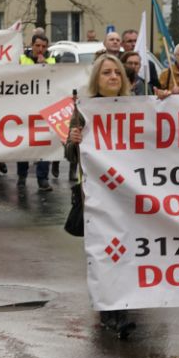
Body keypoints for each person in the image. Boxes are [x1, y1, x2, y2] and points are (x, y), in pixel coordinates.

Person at [65, 54, 136, 339]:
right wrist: (73, 141)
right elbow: (69, 155)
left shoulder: (136, 108)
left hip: (128, 196)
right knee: (105, 253)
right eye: (106, 73)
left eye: (117, 73)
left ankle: (122, 306)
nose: (113, 77)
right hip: (96, 196)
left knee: (126, 252)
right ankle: (112, 313)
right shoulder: (83, 110)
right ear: (97, 79)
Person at [18, 34, 55, 191]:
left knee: (44, 144)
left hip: (43, 109)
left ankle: (42, 178)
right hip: (24, 108)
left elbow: (55, 79)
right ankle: (22, 176)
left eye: (43, 47)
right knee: (23, 144)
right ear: (31, 45)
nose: (40, 49)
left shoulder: (51, 61)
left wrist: (44, 66)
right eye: (37, 46)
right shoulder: (21, 60)